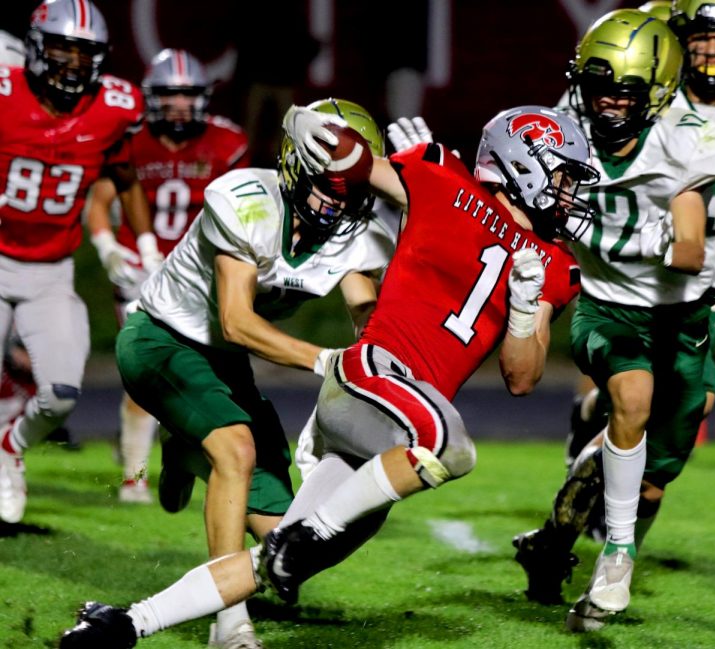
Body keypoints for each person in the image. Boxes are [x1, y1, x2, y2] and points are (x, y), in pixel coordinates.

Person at [58, 102, 596, 648]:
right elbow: (349, 158)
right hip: (375, 375)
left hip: (400, 418)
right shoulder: (440, 177)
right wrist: (303, 120)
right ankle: (308, 534)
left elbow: (522, 376)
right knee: (450, 447)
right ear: (522, 167)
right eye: (564, 174)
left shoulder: (552, 262)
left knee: (279, 559)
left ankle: (123, 623)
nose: (571, 191)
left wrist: (526, 310)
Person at [102, 98, 395, 649]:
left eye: (352, 188)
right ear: (294, 168)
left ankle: (187, 448)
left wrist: (382, 358)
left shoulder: (358, 231)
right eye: (327, 184)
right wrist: (324, 360)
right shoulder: (247, 201)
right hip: (161, 338)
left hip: (223, 364)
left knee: (290, 546)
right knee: (235, 450)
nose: (338, 203)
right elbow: (236, 323)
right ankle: (229, 622)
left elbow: (365, 312)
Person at [510, 9, 715, 631]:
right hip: (607, 306)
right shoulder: (564, 128)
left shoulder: (689, 138)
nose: (609, 104)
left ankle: (554, 543)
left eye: (627, 93)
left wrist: (620, 233)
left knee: (658, 471)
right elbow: (529, 209)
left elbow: (690, 253)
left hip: (681, 313)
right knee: (632, 399)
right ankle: (616, 557)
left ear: (658, 92)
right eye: (599, 88)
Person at [562, 0, 715, 546]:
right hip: (636, 274)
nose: (710, 49)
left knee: (686, 411)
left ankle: (613, 515)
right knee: (645, 401)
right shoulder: (648, 102)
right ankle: (612, 530)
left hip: (709, 281)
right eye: (698, 37)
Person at [0, 0, 158, 525]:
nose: (73, 62)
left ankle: (10, 445)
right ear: (36, 48)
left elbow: (126, 176)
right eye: (63, 48)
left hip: (51, 271)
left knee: (62, 396)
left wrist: (147, 243)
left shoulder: (114, 105)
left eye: (85, 52)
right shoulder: (6, 91)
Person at [85, 48, 249, 505]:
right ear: (151, 97)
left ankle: (188, 455)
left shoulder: (226, 143)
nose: (179, 104)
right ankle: (134, 476)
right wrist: (108, 246)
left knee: (205, 375)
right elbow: (100, 201)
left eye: (188, 94)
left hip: (198, 272)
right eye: (170, 94)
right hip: (141, 269)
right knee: (144, 374)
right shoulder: (131, 139)